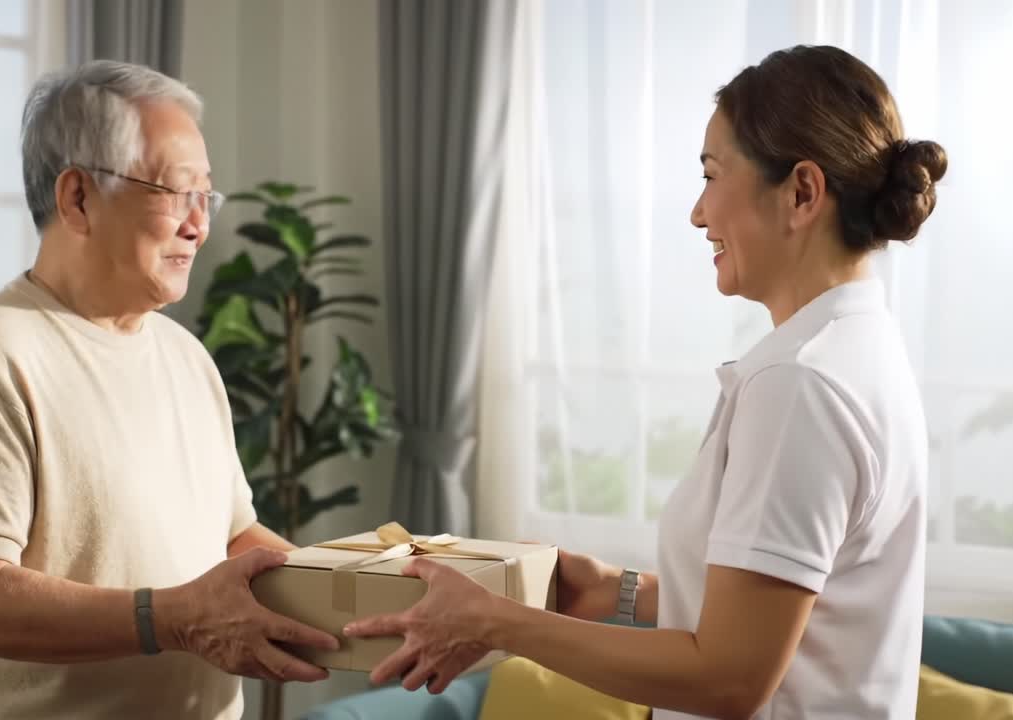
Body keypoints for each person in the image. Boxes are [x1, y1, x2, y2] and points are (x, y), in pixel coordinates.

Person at [346, 45, 946, 719]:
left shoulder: (799, 385)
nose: (698, 213)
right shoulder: (862, 347)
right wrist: (615, 590)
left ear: (801, 193)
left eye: (711, 175)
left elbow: (728, 679)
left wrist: (495, 622)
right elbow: (794, 608)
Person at [0, 60, 338, 720]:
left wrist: (362, 594)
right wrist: (171, 620)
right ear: (78, 198)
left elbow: (233, 538)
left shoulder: (186, 356)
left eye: (208, 197)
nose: (199, 224)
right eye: (178, 192)